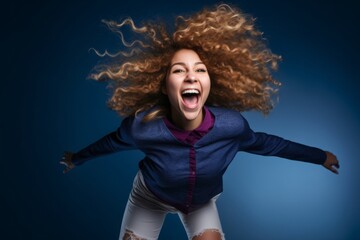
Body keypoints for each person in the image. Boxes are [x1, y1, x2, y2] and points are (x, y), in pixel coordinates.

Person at [60, 4, 339, 240]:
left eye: (200, 70)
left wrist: (320, 156)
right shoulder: (142, 126)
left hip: (201, 203)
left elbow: (270, 145)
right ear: (164, 86)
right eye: (179, 70)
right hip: (150, 197)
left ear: (209, 82)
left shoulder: (232, 126)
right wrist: (76, 158)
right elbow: (110, 143)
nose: (191, 76)